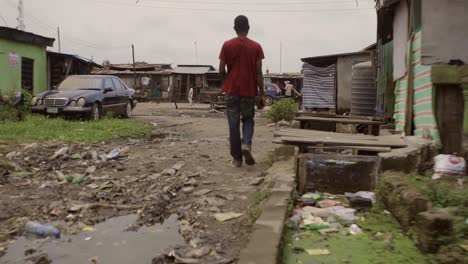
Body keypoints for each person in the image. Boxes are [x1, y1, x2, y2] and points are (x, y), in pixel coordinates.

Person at [219, 15, 265, 167]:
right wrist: (262, 94)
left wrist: (226, 83)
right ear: (248, 28)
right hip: (249, 91)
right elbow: (259, 72)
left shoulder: (227, 45)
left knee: (233, 124)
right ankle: (246, 144)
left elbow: (221, 69)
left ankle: (237, 159)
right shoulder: (256, 47)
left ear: (234, 28)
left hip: (232, 90)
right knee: (248, 120)